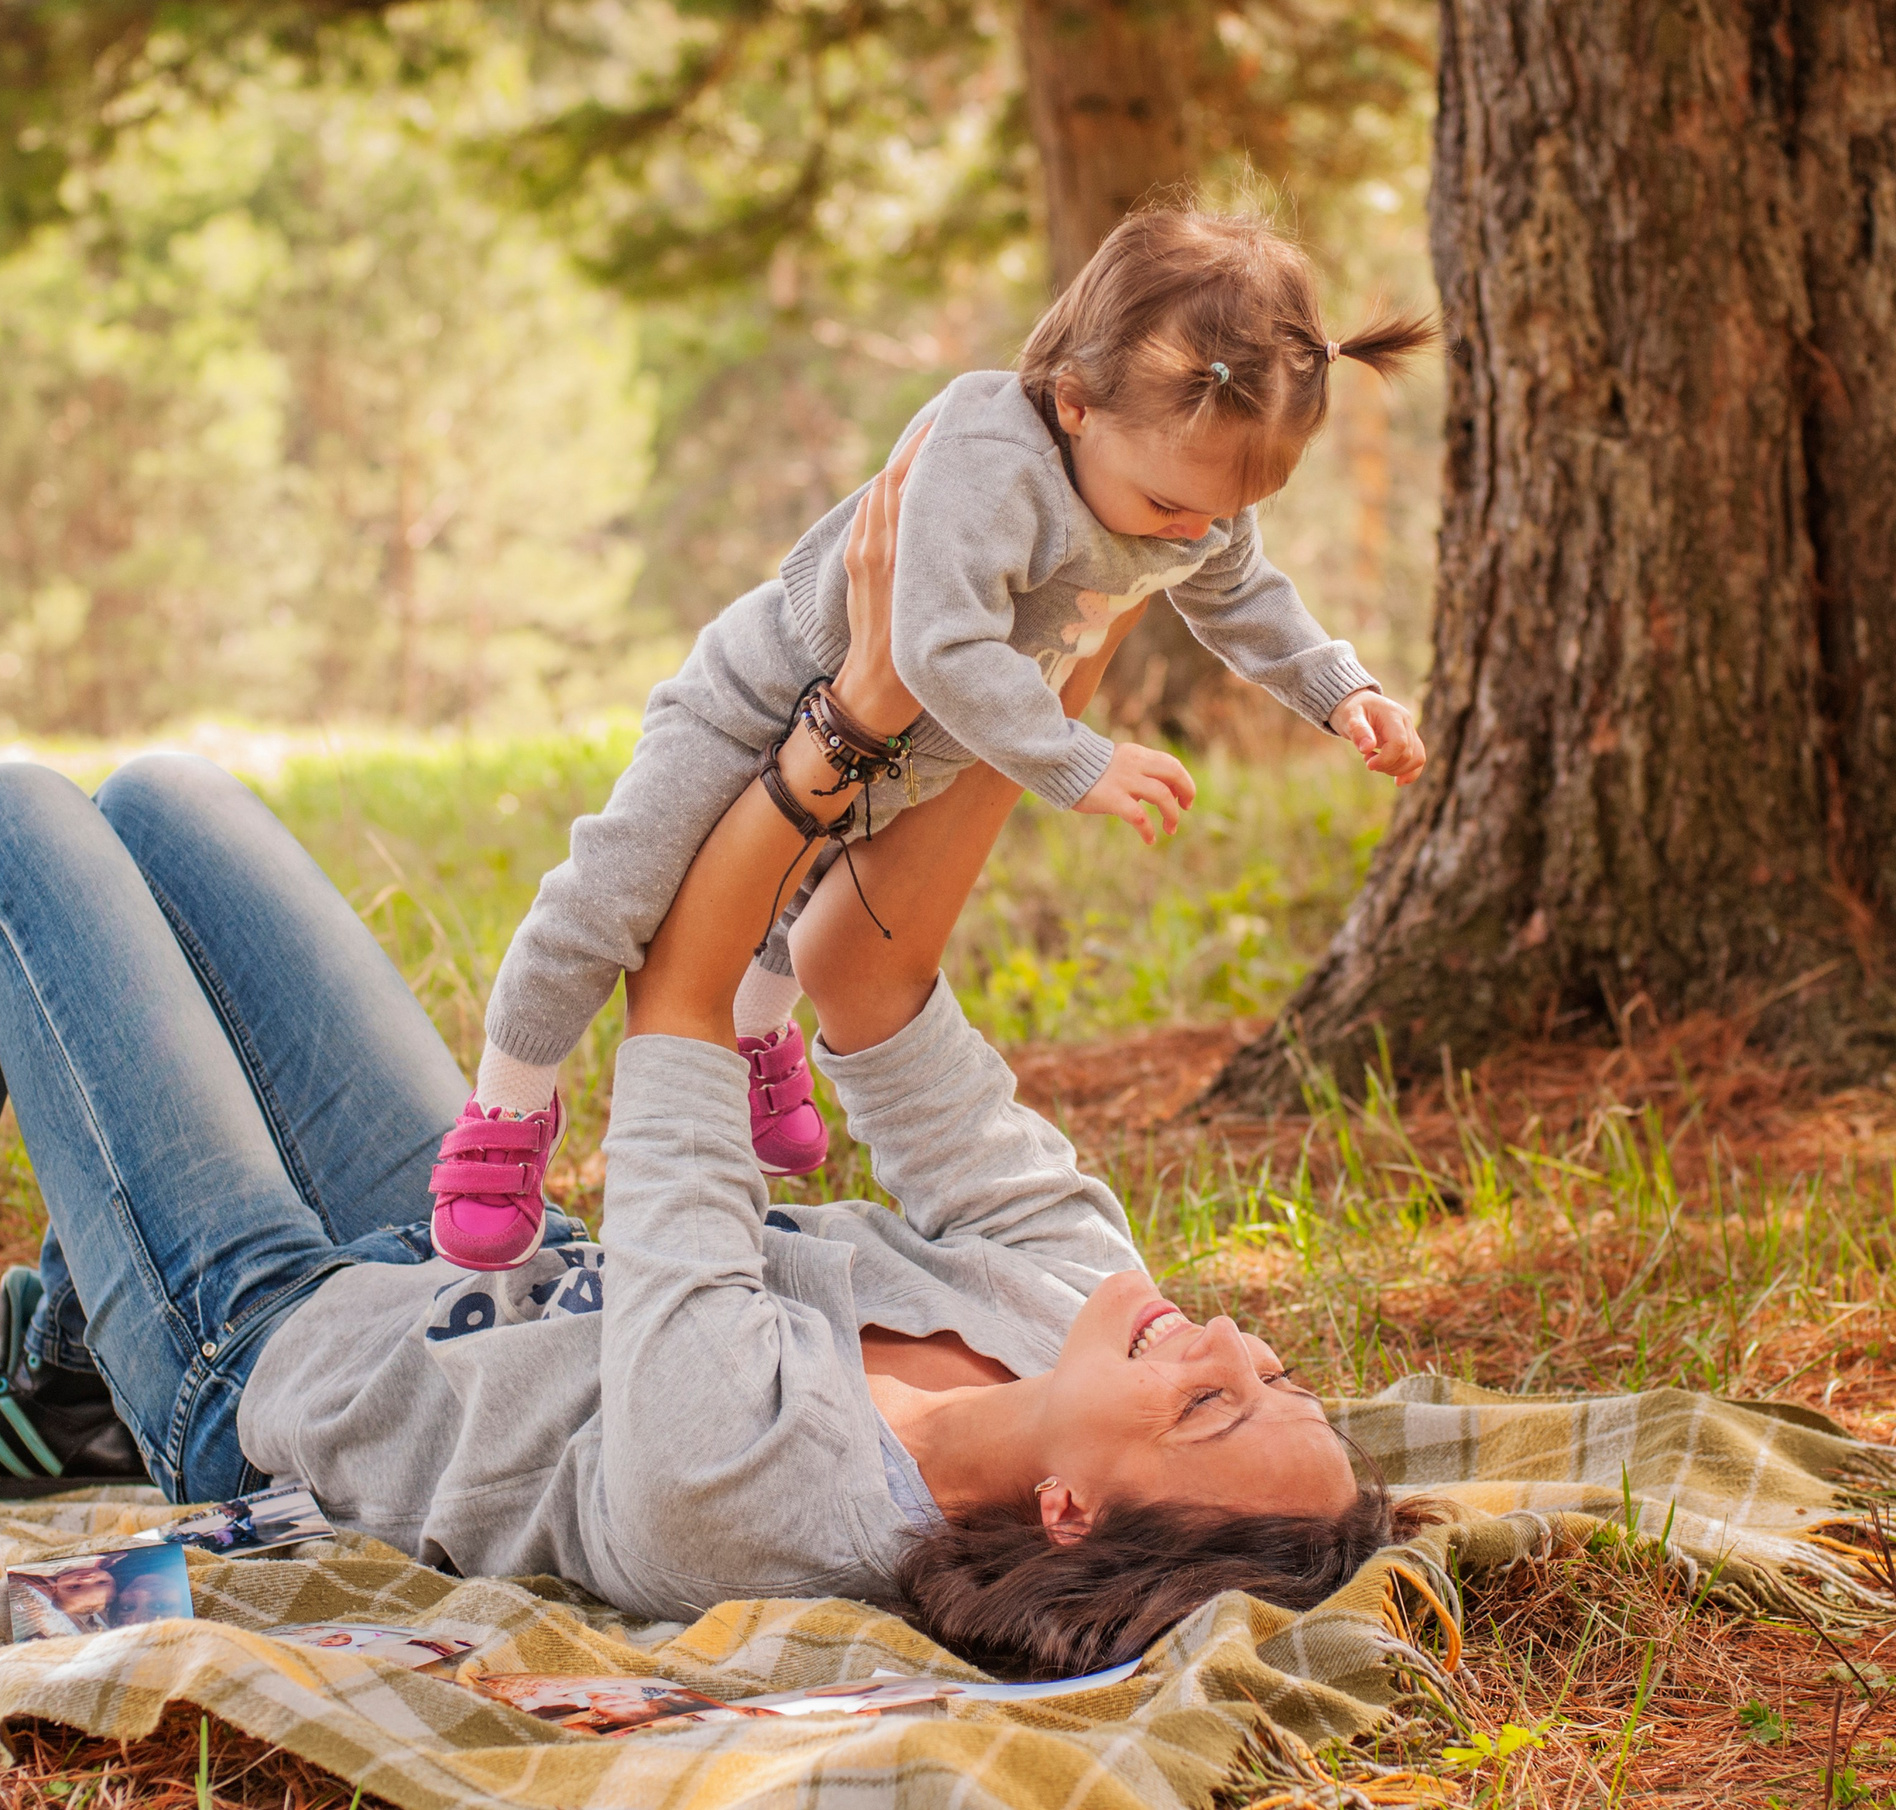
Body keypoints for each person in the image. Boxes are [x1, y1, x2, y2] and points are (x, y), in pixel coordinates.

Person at [0, 448, 1407, 1675]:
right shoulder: (1079, 1305)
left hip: (274, 1357)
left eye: (1208, 1405)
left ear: (1066, 1515)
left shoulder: (759, 1500)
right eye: (1277, 1376)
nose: (1236, 1344)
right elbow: (860, 982)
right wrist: (1029, 659)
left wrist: (856, 719)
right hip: (474, 1263)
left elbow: (679, 993)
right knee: (168, 798)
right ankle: (65, 1362)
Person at [435, 202, 1436, 1272]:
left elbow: (1242, 594)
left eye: (1221, 509)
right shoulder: (987, 453)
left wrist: (1339, 690)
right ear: (1076, 404)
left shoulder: (1194, 492)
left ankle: (756, 1032)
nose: (1195, 532)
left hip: (920, 748)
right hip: (762, 699)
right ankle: (505, 1107)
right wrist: (1077, 762)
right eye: (1169, 505)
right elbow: (933, 647)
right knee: (618, 888)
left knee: (803, 881)